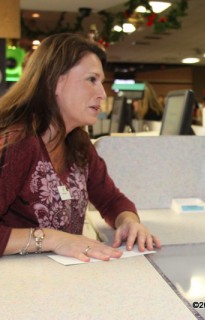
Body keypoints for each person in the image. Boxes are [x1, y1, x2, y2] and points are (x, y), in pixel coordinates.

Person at [0, 33, 160, 261]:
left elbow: (111, 200)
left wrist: (128, 221)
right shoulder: (18, 144)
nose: (102, 93)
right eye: (91, 79)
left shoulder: (78, 143)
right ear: (55, 82)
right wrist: (54, 238)